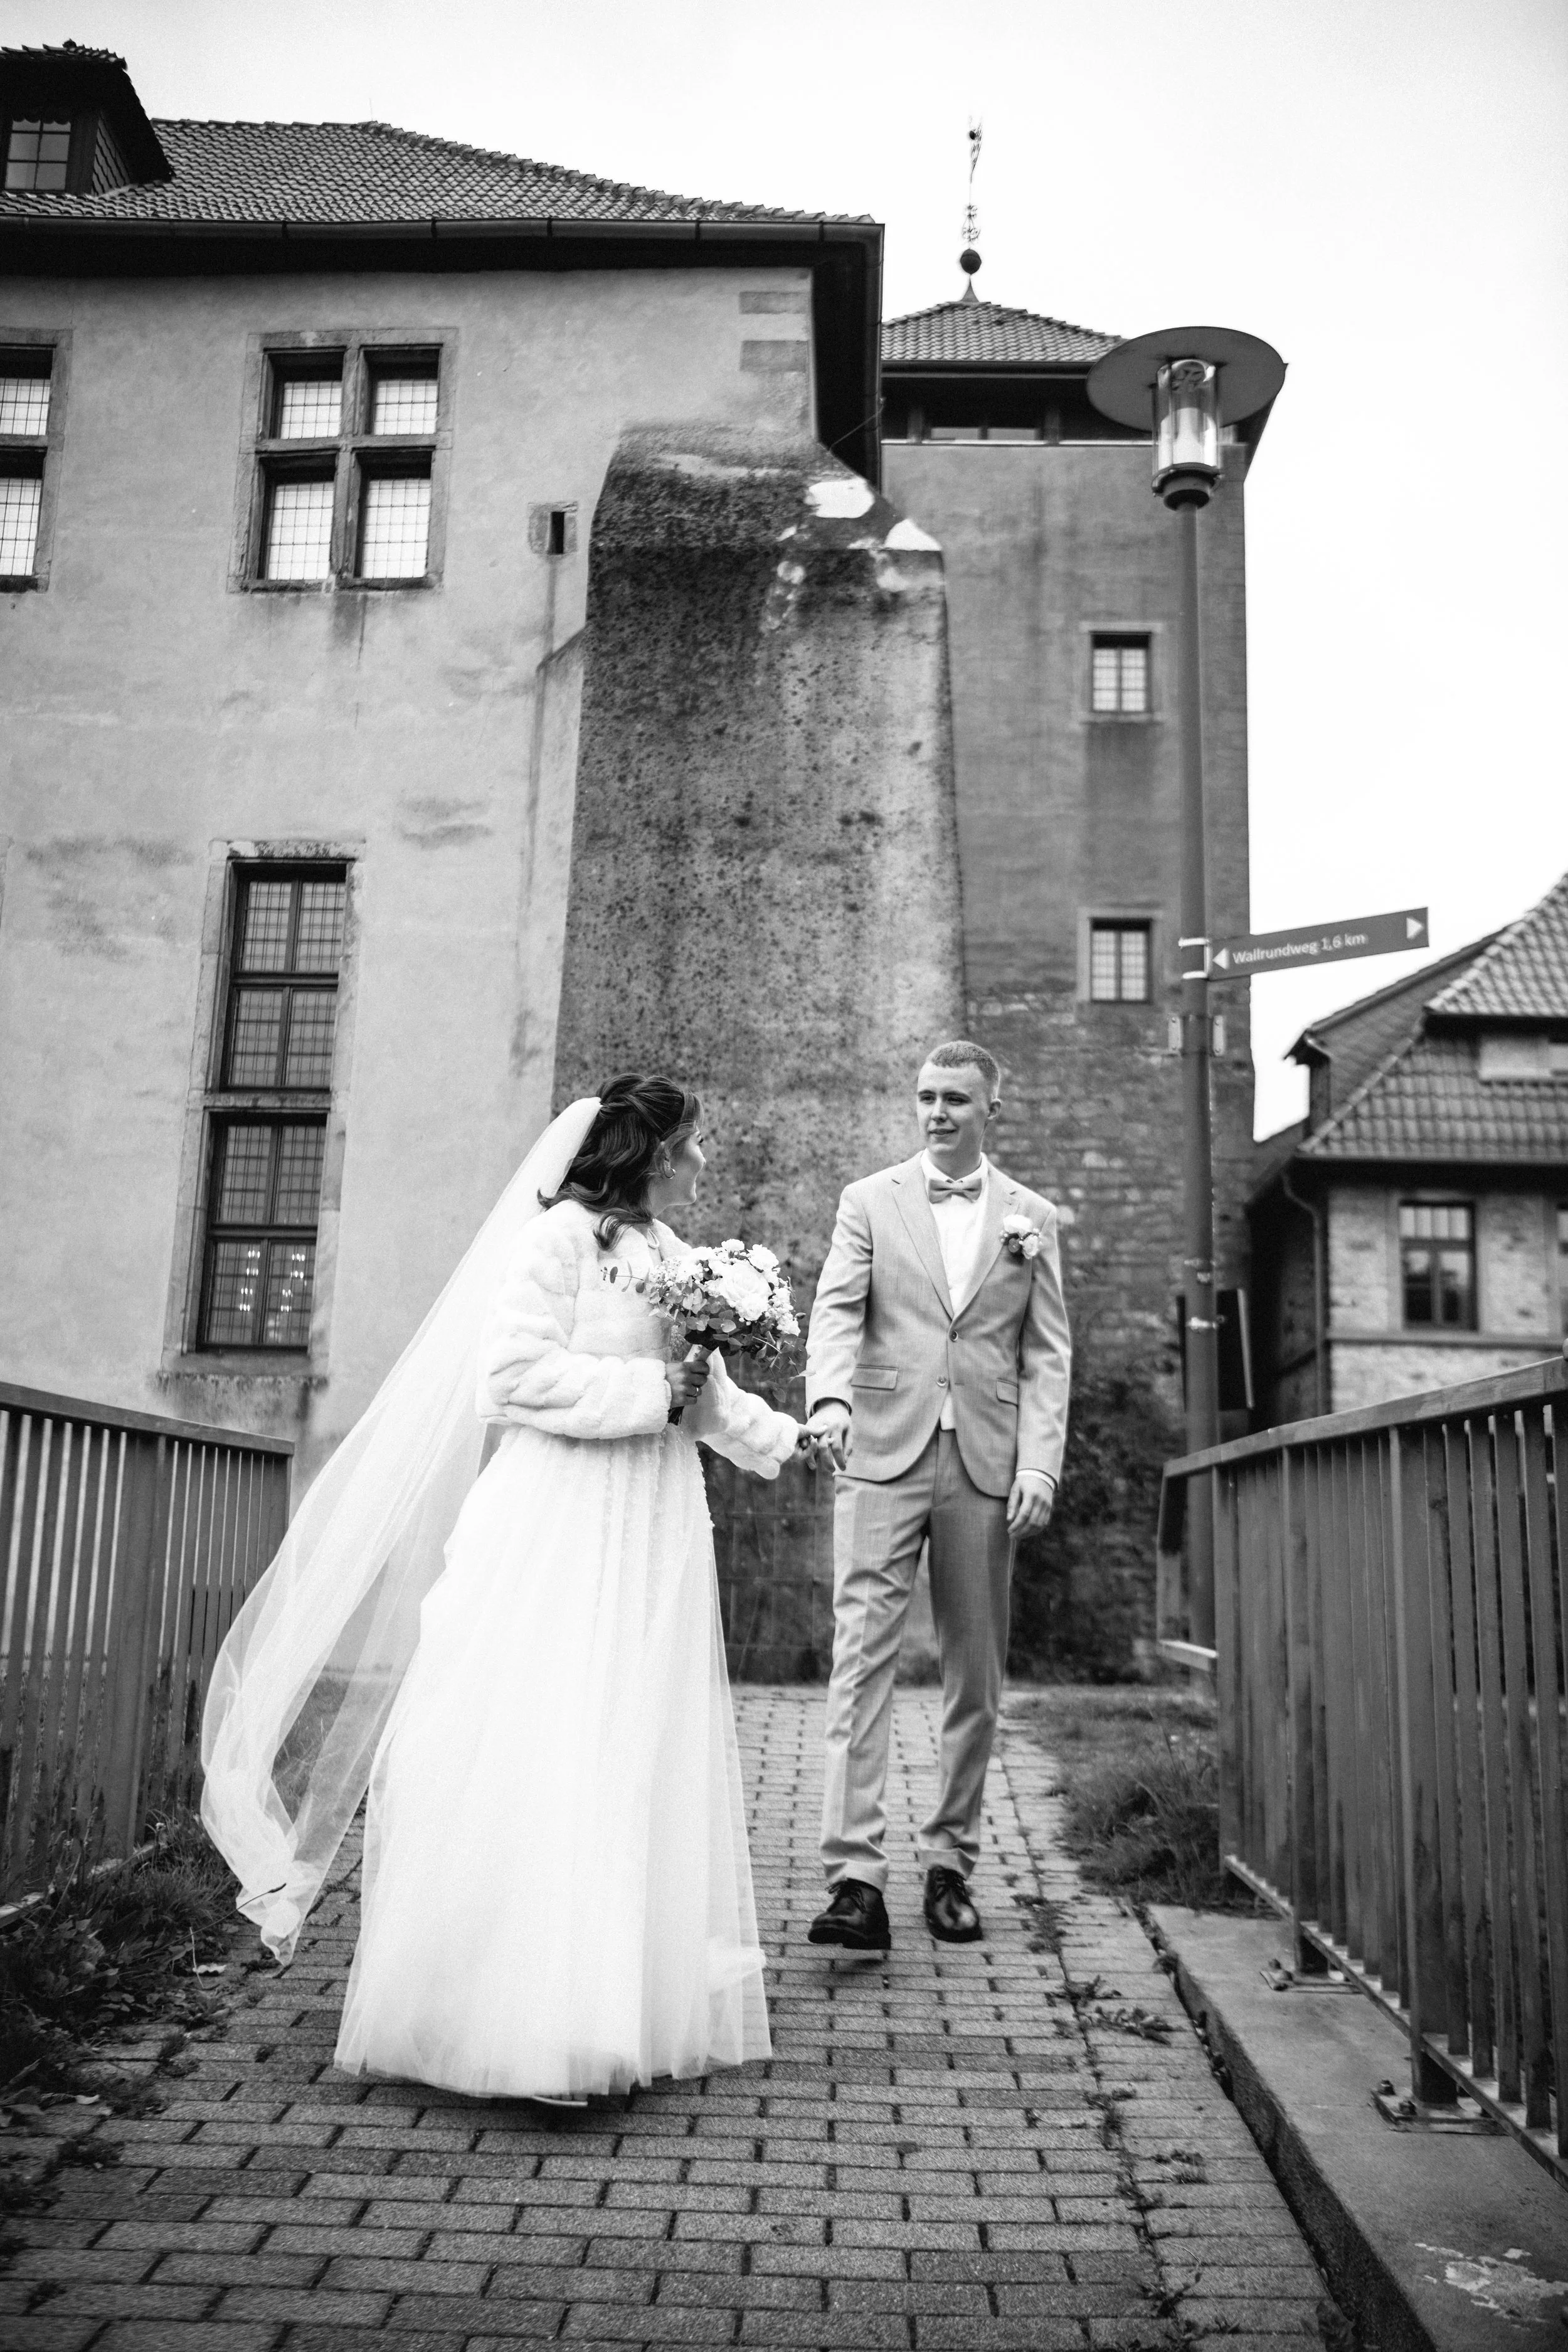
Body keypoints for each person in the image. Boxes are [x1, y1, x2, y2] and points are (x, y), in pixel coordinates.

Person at [203, 1077, 802, 2104]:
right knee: (546, 1734)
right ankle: (514, 2016)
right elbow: (513, 1377)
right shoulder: (557, 1241)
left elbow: (703, 1391)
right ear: (651, 1151)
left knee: (627, 1739)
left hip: (650, 1522)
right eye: (694, 1144)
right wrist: (650, 1395)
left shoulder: (665, 1255)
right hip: (560, 1519)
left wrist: (787, 1439)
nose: (704, 1163)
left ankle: (609, 2001)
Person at [800, 1041, 1071, 1951]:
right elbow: (837, 1308)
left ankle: (950, 1862)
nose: (938, 1111)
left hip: (987, 1469)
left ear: (993, 1106)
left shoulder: (1031, 1217)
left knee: (976, 1677)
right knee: (860, 1664)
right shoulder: (869, 1200)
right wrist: (830, 1398)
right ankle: (855, 1880)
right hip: (880, 1450)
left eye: (957, 1097)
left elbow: (1046, 1352)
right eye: (926, 1096)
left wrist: (1040, 1463)